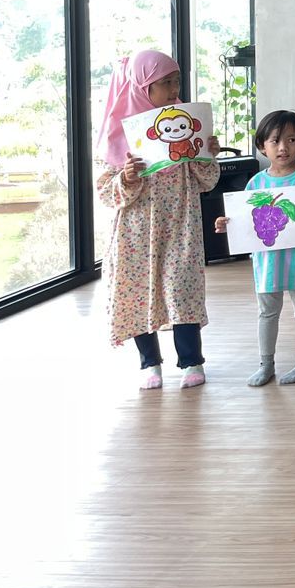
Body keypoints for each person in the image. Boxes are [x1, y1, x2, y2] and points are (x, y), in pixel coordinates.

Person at [96, 50, 221, 389]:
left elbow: (208, 182)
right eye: (164, 83)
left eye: (176, 81)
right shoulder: (117, 135)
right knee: (137, 292)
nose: (172, 88)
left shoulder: (185, 125)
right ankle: (149, 363)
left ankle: (191, 360)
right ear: (142, 86)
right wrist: (127, 177)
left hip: (180, 223)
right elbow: (106, 193)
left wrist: (206, 153)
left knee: (182, 290)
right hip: (135, 232)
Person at [214, 110, 295, 385]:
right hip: (268, 262)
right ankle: (265, 364)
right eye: (275, 141)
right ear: (261, 146)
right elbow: (244, 222)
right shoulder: (256, 183)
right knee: (267, 312)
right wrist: (226, 224)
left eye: (292, 140)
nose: (283, 147)